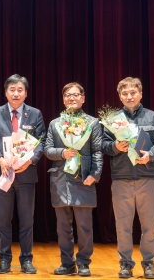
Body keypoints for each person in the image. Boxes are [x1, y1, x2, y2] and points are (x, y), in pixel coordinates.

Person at [101, 77, 154, 279]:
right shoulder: (112, 119)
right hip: (121, 178)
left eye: (133, 92)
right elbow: (103, 145)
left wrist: (151, 155)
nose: (129, 96)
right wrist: (115, 146)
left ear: (140, 94)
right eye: (125, 93)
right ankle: (125, 264)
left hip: (147, 177)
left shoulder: (153, 117)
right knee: (122, 225)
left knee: (149, 224)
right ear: (119, 96)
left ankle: (148, 263)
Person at [0, 74, 45, 274]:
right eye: (12, 90)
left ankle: (26, 259)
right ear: (6, 92)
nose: (16, 93)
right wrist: (0, 159)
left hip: (26, 175)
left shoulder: (35, 114)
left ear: (26, 93)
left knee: (27, 220)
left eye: (20, 90)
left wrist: (30, 161)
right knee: (2, 220)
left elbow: (41, 142)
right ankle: (4, 259)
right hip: (2, 174)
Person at [44, 82, 103, 277]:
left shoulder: (92, 123)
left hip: (83, 178)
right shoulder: (55, 123)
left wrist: (95, 174)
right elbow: (47, 150)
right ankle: (67, 263)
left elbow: (97, 151)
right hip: (60, 179)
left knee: (85, 226)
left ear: (83, 98)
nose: (72, 98)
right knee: (63, 228)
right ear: (63, 99)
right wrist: (62, 153)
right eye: (68, 95)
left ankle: (84, 263)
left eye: (76, 95)